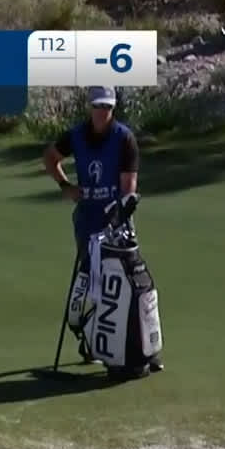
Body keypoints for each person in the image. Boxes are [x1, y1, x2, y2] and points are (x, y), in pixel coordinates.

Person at [43, 86, 160, 371]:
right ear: (90, 107)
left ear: (113, 108)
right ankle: (91, 341)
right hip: (86, 219)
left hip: (117, 224)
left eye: (107, 107)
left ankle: (139, 346)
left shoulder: (124, 139)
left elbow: (128, 187)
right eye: (98, 106)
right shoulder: (76, 135)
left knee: (121, 283)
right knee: (90, 284)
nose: (102, 112)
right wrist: (66, 186)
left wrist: (117, 217)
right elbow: (50, 157)